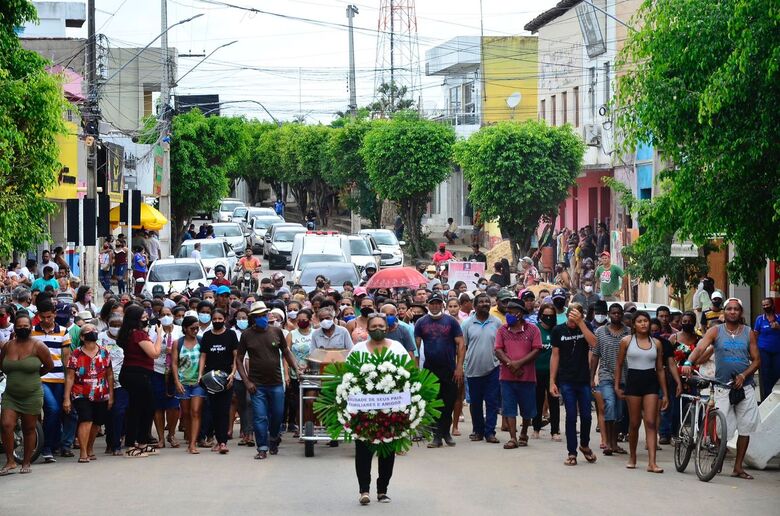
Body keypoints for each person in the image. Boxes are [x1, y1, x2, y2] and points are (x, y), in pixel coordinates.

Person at [681, 298, 760, 480]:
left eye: (736, 309)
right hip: (722, 387)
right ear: (724, 312)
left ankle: (738, 467)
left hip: (745, 386)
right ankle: (719, 458)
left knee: (745, 428)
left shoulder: (748, 333)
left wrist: (743, 375)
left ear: (741, 313)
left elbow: (757, 360)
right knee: (720, 429)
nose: (732, 312)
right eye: (729, 309)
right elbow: (701, 347)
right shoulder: (716, 330)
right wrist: (688, 361)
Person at [350, 314, 409, 505]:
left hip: (390, 411)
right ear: (367, 329)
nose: (377, 328)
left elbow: (408, 373)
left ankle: (382, 490)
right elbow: (348, 375)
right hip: (364, 411)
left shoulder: (397, 348)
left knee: (387, 452)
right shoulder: (358, 349)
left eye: (381, 325)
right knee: (363, 452)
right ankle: (364, 490)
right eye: (373, 325)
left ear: (387, 328)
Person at [236, 302, 302, 460]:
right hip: (257, 385)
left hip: (276, 383)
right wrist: (247, 381)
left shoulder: (276, 332)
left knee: (278, 415)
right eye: (257, 316)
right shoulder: (247, 335)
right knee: (260, 417)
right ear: (253, 318)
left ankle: (273, 438)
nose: (261, 318)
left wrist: (296, 369)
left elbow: (286, 352)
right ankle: (262, 447)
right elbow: (238, 359)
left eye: (263, 315)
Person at [614, 311, 668, 473]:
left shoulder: (656, 343)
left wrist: (664, 393)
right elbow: (619, 364)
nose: (643, 324)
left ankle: (652, 462)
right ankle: (633, 456)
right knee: (634, 423)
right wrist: (617, 386)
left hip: (651, 383)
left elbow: (659, 369)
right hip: (633, 383)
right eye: (640, 321)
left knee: (651, 422)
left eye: (646, 321)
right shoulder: (626, 341)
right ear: (634, 324)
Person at [0, 312, 54, 475]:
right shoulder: (8, 345)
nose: (22, 328)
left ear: (31, 327)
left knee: (29, 428)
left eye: (26, 326)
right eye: (19, 326)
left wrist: (34, 376)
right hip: (11, 395)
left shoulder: (38, 346)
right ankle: (10, 461)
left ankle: (26, 461)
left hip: (32, 394)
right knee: (6, 425)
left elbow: (49, 366)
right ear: (14, 328)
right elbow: (2, 365)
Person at [550, 302, 598, 466]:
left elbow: (594, 344)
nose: (574, 318)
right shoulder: (558, 330)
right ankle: (572, 452)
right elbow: (555, 356)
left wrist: (581, 324)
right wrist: (552, 381)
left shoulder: (586, 327)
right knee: (571, 416)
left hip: (583, 378)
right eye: (572, 315)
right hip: (566, 379)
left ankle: (584, 444)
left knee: (586, 415)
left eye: (578, 315)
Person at [415, 293, 465, 448]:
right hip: (430, 369)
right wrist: (416, 369)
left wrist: (459, 367)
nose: (435, 306)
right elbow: (415, 347)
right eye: (432, 303)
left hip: (449, 369)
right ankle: (437, 436)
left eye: (438, 303)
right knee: (434, 403)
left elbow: (461, 345)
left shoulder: (451, 322)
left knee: (449, 402)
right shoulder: (421, 322)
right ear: (428, 305)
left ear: (442, 305)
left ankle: (446, 433)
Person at [495, 298, 542, 449]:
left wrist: (519, 363)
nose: (507, 314)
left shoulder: (533, 329)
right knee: (508, 407)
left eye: (510, 312)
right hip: (507, 377)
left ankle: (524, 433)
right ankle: (513, 438)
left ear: (519, 314)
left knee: (527, 409)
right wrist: (511, 364)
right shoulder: (502, 330)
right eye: (506, 311)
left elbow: (536, 349)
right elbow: (498, 350)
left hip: (527, 377)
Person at [63, 324, 114, 464]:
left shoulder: (104, 352)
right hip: (81, 392)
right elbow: (70, 376)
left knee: (97, 423)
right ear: (82, 336)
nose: (92, 332)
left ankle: (89, 448)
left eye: (94, 330)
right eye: (88, 331)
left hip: (101, 392)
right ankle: (83, 452)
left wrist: (111, 396)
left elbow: (109, 375)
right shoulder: (76, 354)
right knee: (86, 419)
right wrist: (66, 398)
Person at [117, 304, 162, 458]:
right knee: (140, 409)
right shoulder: (137, 335)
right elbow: (154, 353)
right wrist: (160, 335)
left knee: (144, 408)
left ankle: (141, 442)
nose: (146, 319)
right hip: (137, 374)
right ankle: (131, 445)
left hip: (135, 373)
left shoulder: (131, 333)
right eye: (143, 317)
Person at [31, 301, 72, 463]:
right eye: (43, 317)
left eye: (49, 316)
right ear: (38, 316)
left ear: (54, 314)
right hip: (41, 377)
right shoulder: (32, 332)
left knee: (56, 412)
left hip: (59, 378)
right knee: (53, 409)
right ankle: (46, 447)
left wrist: (68, 380)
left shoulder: (63, 332)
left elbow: (66, 359)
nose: (46, 320)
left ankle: (53, 445)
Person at [591, 303, 630, 455]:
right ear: (609, 314)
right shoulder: (600, 332)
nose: (616, 316)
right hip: (606, 375)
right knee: (610, 404)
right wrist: (591, 376)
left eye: (619, 313)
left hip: (624, 377)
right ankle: (607, 442)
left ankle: (614, 443)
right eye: (613, 313)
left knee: (619, 412)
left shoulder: (629, 332)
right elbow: (595, 355)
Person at [461, 293, 501, 443]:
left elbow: (501, 346)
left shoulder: (496, 323)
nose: (485, 304)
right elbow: (462, 347)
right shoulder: (467, 324)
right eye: (481, 302)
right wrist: (460, 366)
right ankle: (478, 430)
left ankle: (490, 432)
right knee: (476, 402)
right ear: (474, 306)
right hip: (472, 369)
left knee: (492, 401)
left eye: (487, 301)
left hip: (493, 368)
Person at [198, 308, 238, 454]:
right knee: (213, 409)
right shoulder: (207, 336)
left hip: (226, 378)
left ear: (225, 319)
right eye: (214, 319)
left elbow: (236, 356)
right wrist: (200, 374)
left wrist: (233, 373)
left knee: (224, 409)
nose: (217, 321)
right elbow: (203, 356)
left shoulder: (231, 335)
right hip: (210, 378)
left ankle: (223, 442)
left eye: (220, 319)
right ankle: (216, 439)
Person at [171, 315, 206, 454]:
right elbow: (174, 363)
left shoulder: (201, 341)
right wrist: (176, 381)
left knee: (195, 412)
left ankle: (193, 444)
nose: (195, 330)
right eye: (192, 328)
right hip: (183, 382)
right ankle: (190, 438)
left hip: (198, 382)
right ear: (185, 328)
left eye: (197, 328)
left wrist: (201, 375)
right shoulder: (177, 343)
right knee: (185, 414)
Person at [149, 308, 182, 449]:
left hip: (175, 372)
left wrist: (174, 351)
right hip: (157, 370)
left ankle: (172, 433)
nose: (166, 317)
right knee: (158, 406)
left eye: (168, 314)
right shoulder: (152, 330)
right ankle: (161, 437)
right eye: (163, 315)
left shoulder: (179, 330)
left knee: (174, 406)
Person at [97, 315, 126, 455]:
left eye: (119, 325)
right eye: (113, 324)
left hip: (122, 380)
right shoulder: (100, 337)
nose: (116, 328)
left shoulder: (126, 337)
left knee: (119, 411)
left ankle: (117, 444)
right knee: (107, 412)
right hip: (103, 380)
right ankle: (110, 442)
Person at [532, 303, 561, 441]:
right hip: (537, 370)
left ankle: (555, 431)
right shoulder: (535, 330)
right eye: (546, 315)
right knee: (537, 400)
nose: (548, 318)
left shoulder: (557, 330)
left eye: (551, 315)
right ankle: (536, 428)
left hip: (553, 373)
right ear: (541, 316)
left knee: (554, 401)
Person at [285, 308, 314, 436]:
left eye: (304, 320)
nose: (301, 322)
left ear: (310, 320)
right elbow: (286, 355)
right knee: (297, 402)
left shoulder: (315, 334)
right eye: (299, 320)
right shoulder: (292, 334)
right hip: (295, 374)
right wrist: (286, 374)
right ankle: (299, 427)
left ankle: (310, 426)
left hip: (312, 373)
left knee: (310, 401)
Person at [754, 297, 780, 400]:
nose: (765, 307)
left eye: (767, 304)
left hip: (777, 351)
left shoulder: (778, 317)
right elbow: (755, 334)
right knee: (765, 375)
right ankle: (766, 397)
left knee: (777, 373)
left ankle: (774, 394)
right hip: (764, 351)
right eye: (763, 305)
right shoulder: (760, 319)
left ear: (772, 305)